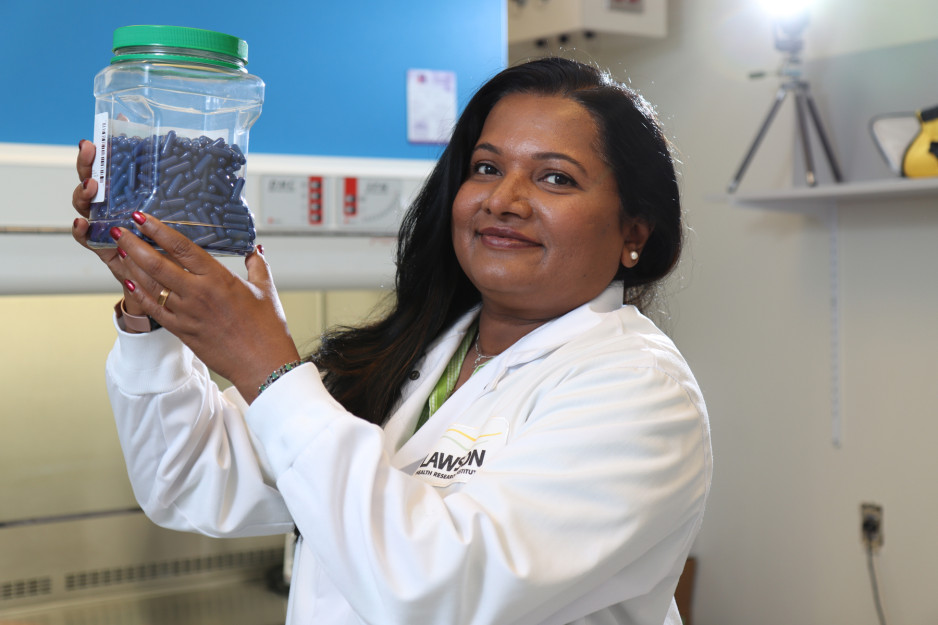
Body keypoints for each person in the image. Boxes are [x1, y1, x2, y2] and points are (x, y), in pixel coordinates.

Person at [71, 57, 711, 625]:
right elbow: (186, 483)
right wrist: (150, 298)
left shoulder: (637, 391)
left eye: (555, 179)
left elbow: (435, 593)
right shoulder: (413, 358)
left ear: (636, 231)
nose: (504, 200)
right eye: (486, 168)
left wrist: (267, 367)